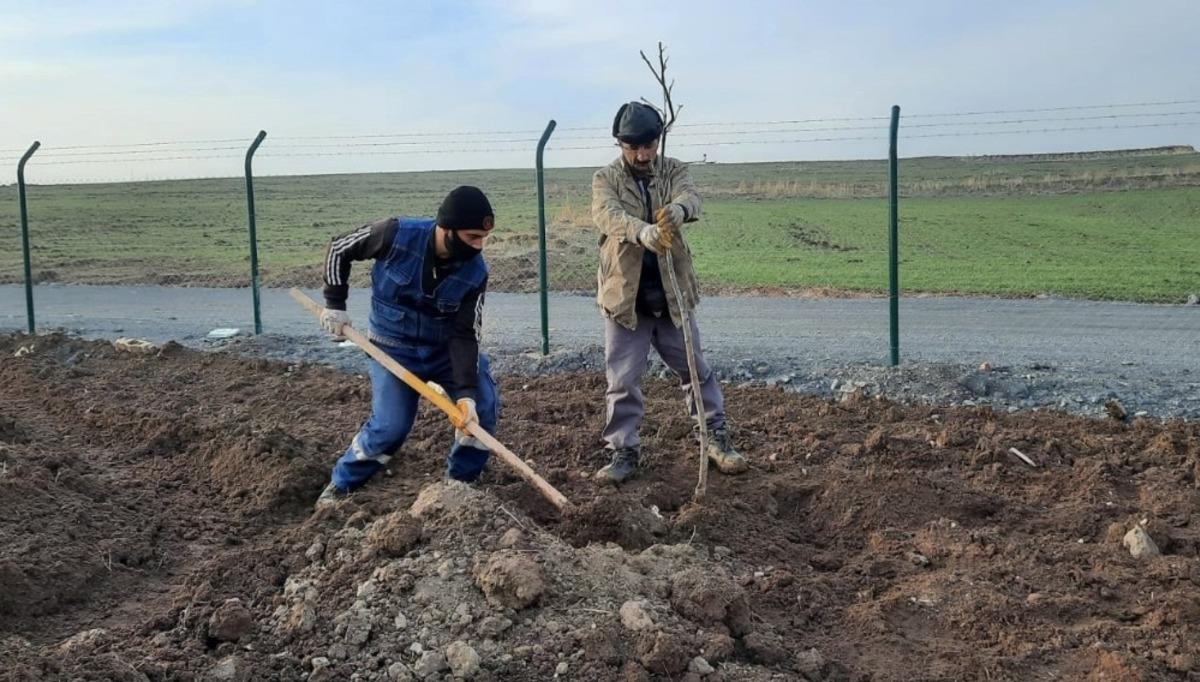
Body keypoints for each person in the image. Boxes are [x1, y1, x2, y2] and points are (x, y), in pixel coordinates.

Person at [589, 101, 748, 483]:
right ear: (620, 145)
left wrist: (678, 211)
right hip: (627, 302)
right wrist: (640, 231)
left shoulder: (673, 170)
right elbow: (605, 214)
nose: (642, 155)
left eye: (649, 145)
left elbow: (691, 196)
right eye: (633, 148)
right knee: (623, 381)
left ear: (658, 141)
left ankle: (714, 439)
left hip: (672, 296)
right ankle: (623, 451)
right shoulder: (605, 179)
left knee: (696, 371)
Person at [314, 186, 499, 507]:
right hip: (391, 348)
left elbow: (466, 334)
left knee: (481, 411)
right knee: (390, 427)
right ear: (447, 229)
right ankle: (341, 484)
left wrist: (466, 393)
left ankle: (459, 487)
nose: (479, 246)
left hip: (443, 350)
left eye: (483, 238)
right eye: (472, 237)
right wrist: (335, 303)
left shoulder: (476, 272)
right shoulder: (396, 234)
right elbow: (338, 248)